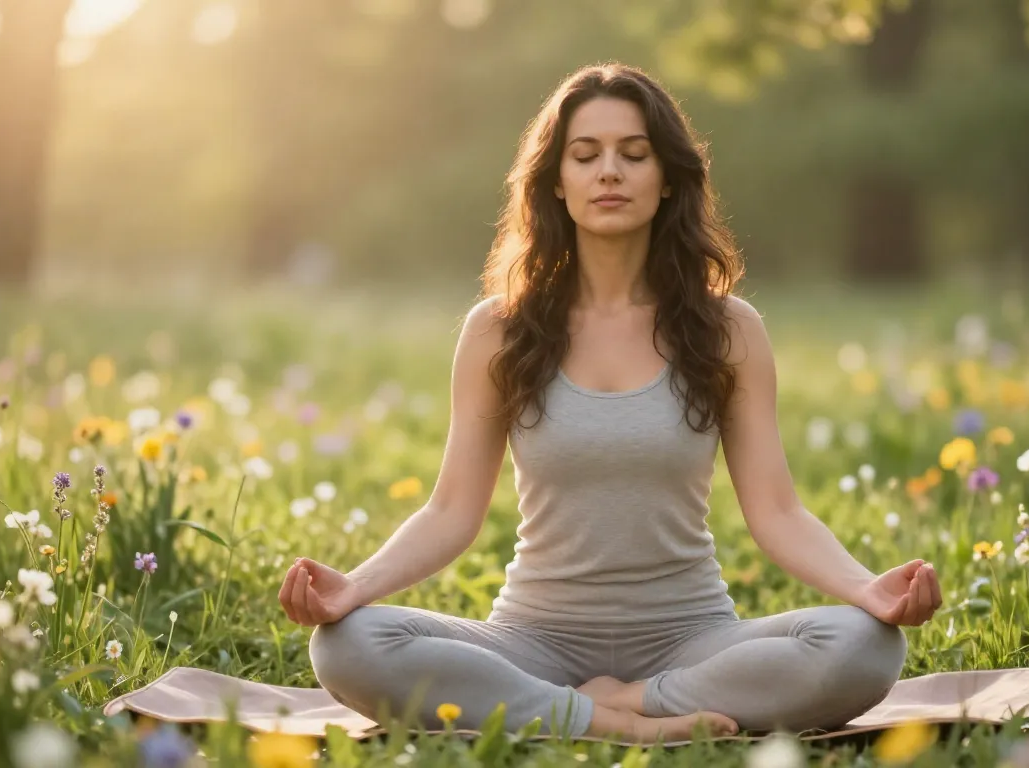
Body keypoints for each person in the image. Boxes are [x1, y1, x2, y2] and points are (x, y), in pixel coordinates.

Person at [279, 61, 942, 745]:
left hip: (692, 641)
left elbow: (777, 511)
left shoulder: (729, 330)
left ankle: (628, 700)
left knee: (866, 645)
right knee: (347, 644)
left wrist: (868, 590)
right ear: (555, 184)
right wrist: (353, 588)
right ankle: (606, 720)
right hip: (533, 640)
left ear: (667, 181)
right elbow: (451, 512)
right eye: (586, 155)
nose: (610, 173)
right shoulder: (498, 331)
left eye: (634, 154)